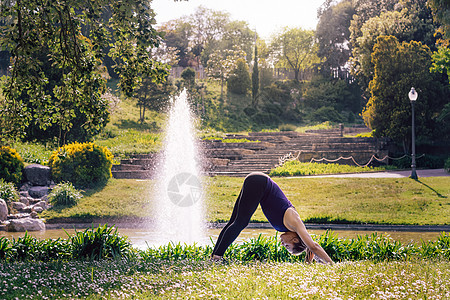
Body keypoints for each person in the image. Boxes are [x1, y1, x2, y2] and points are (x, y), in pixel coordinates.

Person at [211, 172, 333, 264]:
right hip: (259, 182)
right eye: (287, 246)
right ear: (295, 240)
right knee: (241, 222)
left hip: (256, 181)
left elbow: (310, 248)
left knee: (234, 222)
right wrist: (331, 264)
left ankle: (214, 257)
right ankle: (217, 258)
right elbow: (313, 246)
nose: (283, 244)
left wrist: (308, 262)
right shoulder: (295, 222)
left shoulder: (288, 228)